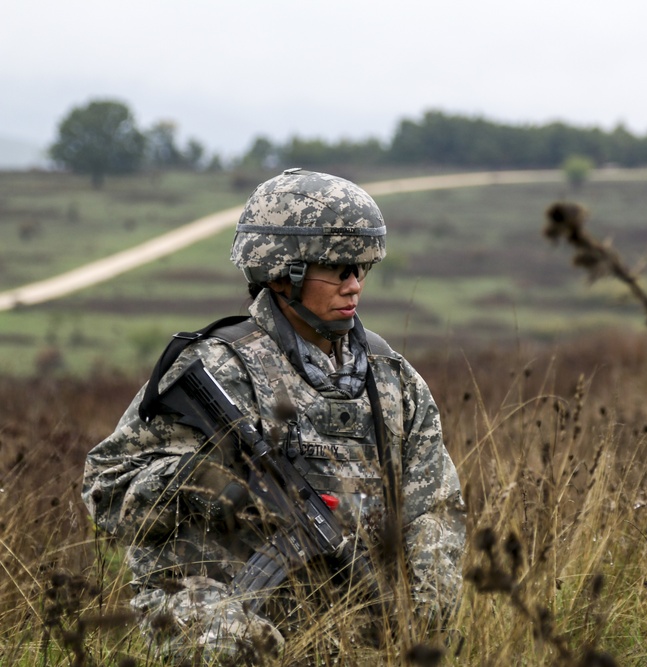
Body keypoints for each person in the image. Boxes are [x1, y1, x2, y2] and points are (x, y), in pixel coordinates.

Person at [81, 169, 467, 662]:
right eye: (339, 269)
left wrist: (423, 611)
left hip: (348, 603)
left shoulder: (392, 381)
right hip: (212, 601)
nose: (355, 285)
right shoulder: (216, 370)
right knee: (245, 647)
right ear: (285, 274)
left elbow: (434, 506)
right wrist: (210, 484)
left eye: (362, 269)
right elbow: (106, 491)